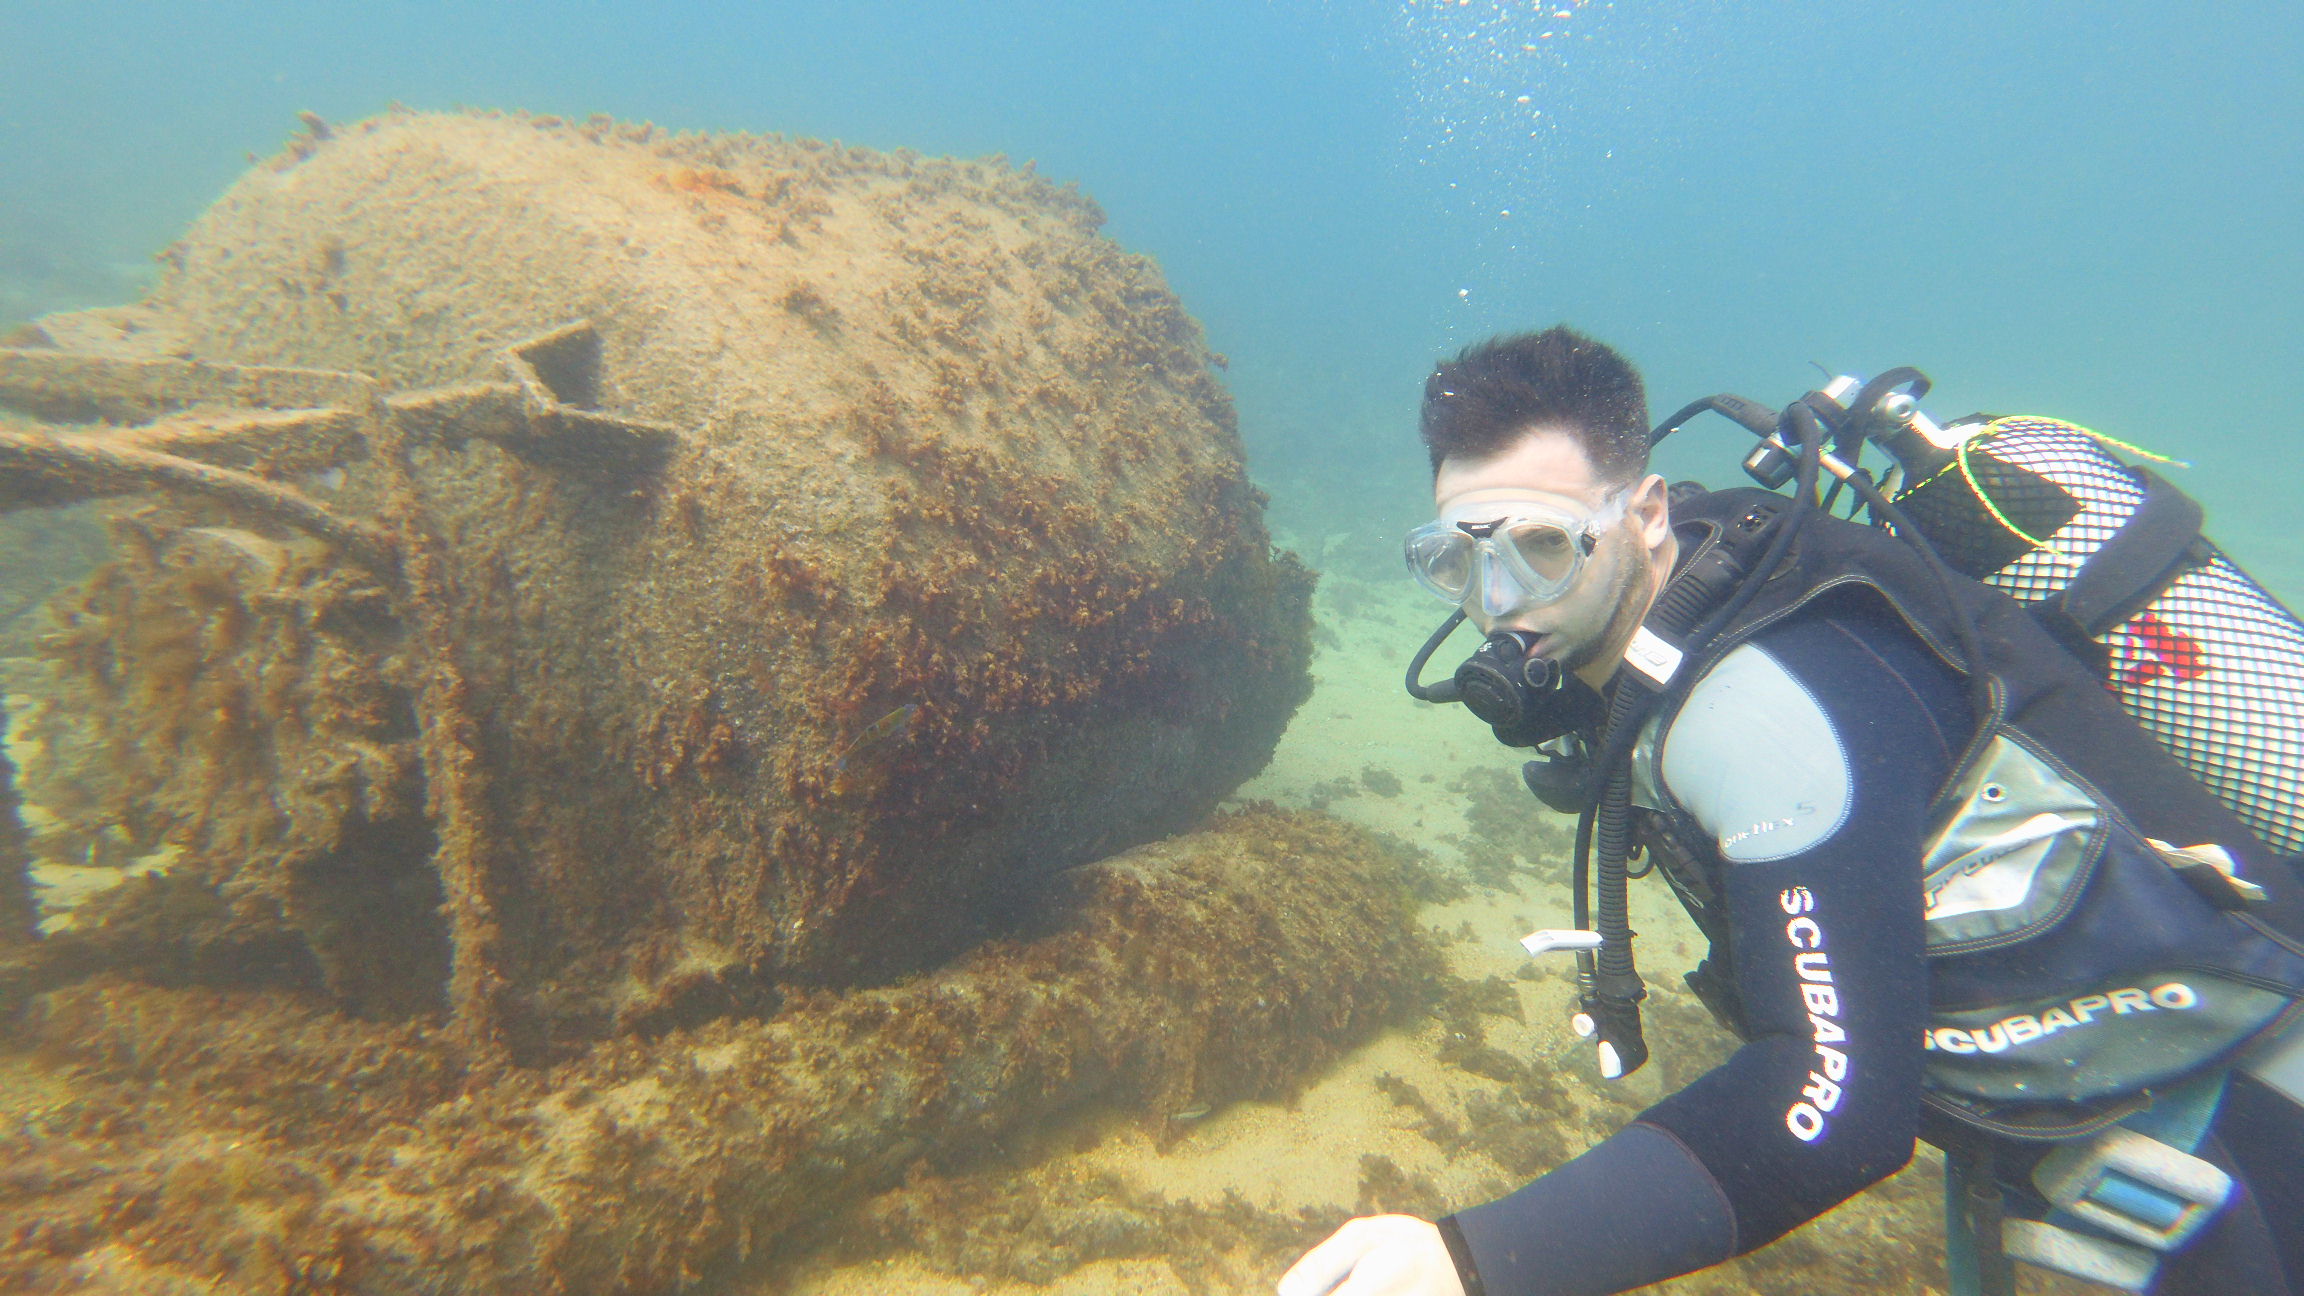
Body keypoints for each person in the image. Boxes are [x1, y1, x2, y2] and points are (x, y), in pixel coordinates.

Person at [1277, 327, 2304, 1296]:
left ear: (1646, 516)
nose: (1496, 602)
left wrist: (1469, 1264)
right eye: (1453, 561)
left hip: (2240, 1116)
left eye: (1541, 547)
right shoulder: (1700, 579)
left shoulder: (1752, 712)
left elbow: (1834, 1102)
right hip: (2123, 1122)